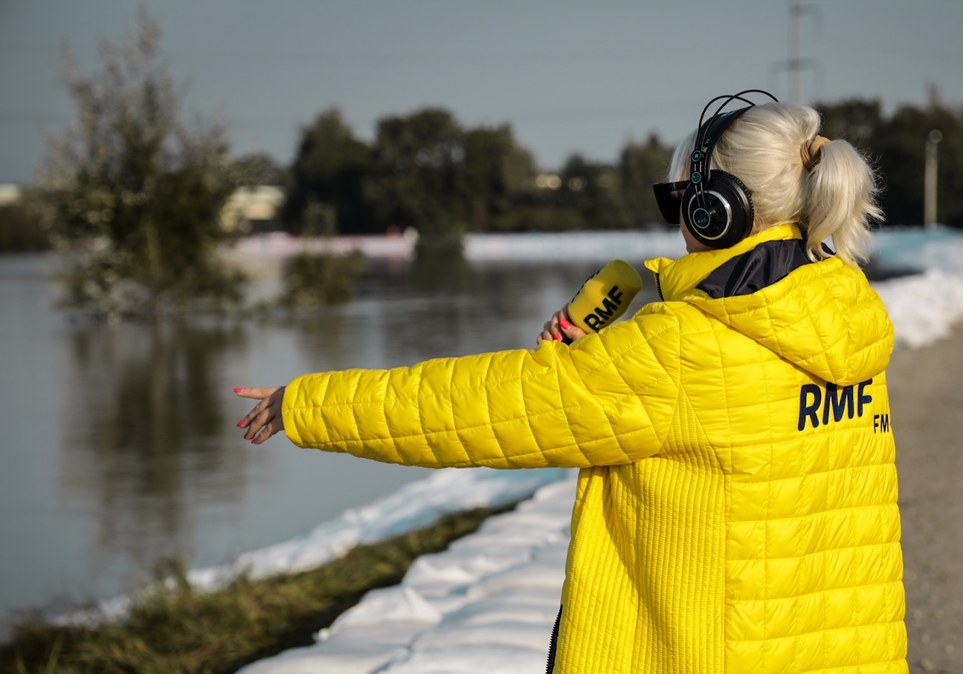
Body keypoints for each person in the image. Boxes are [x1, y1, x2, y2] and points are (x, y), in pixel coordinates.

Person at [236, 91, 907, 673]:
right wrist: (634, 315)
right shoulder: (842, 324)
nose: (675, 223)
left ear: (714, 211)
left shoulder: (681, 352)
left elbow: (485, 408)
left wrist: (311, 404)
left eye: (678, 201)